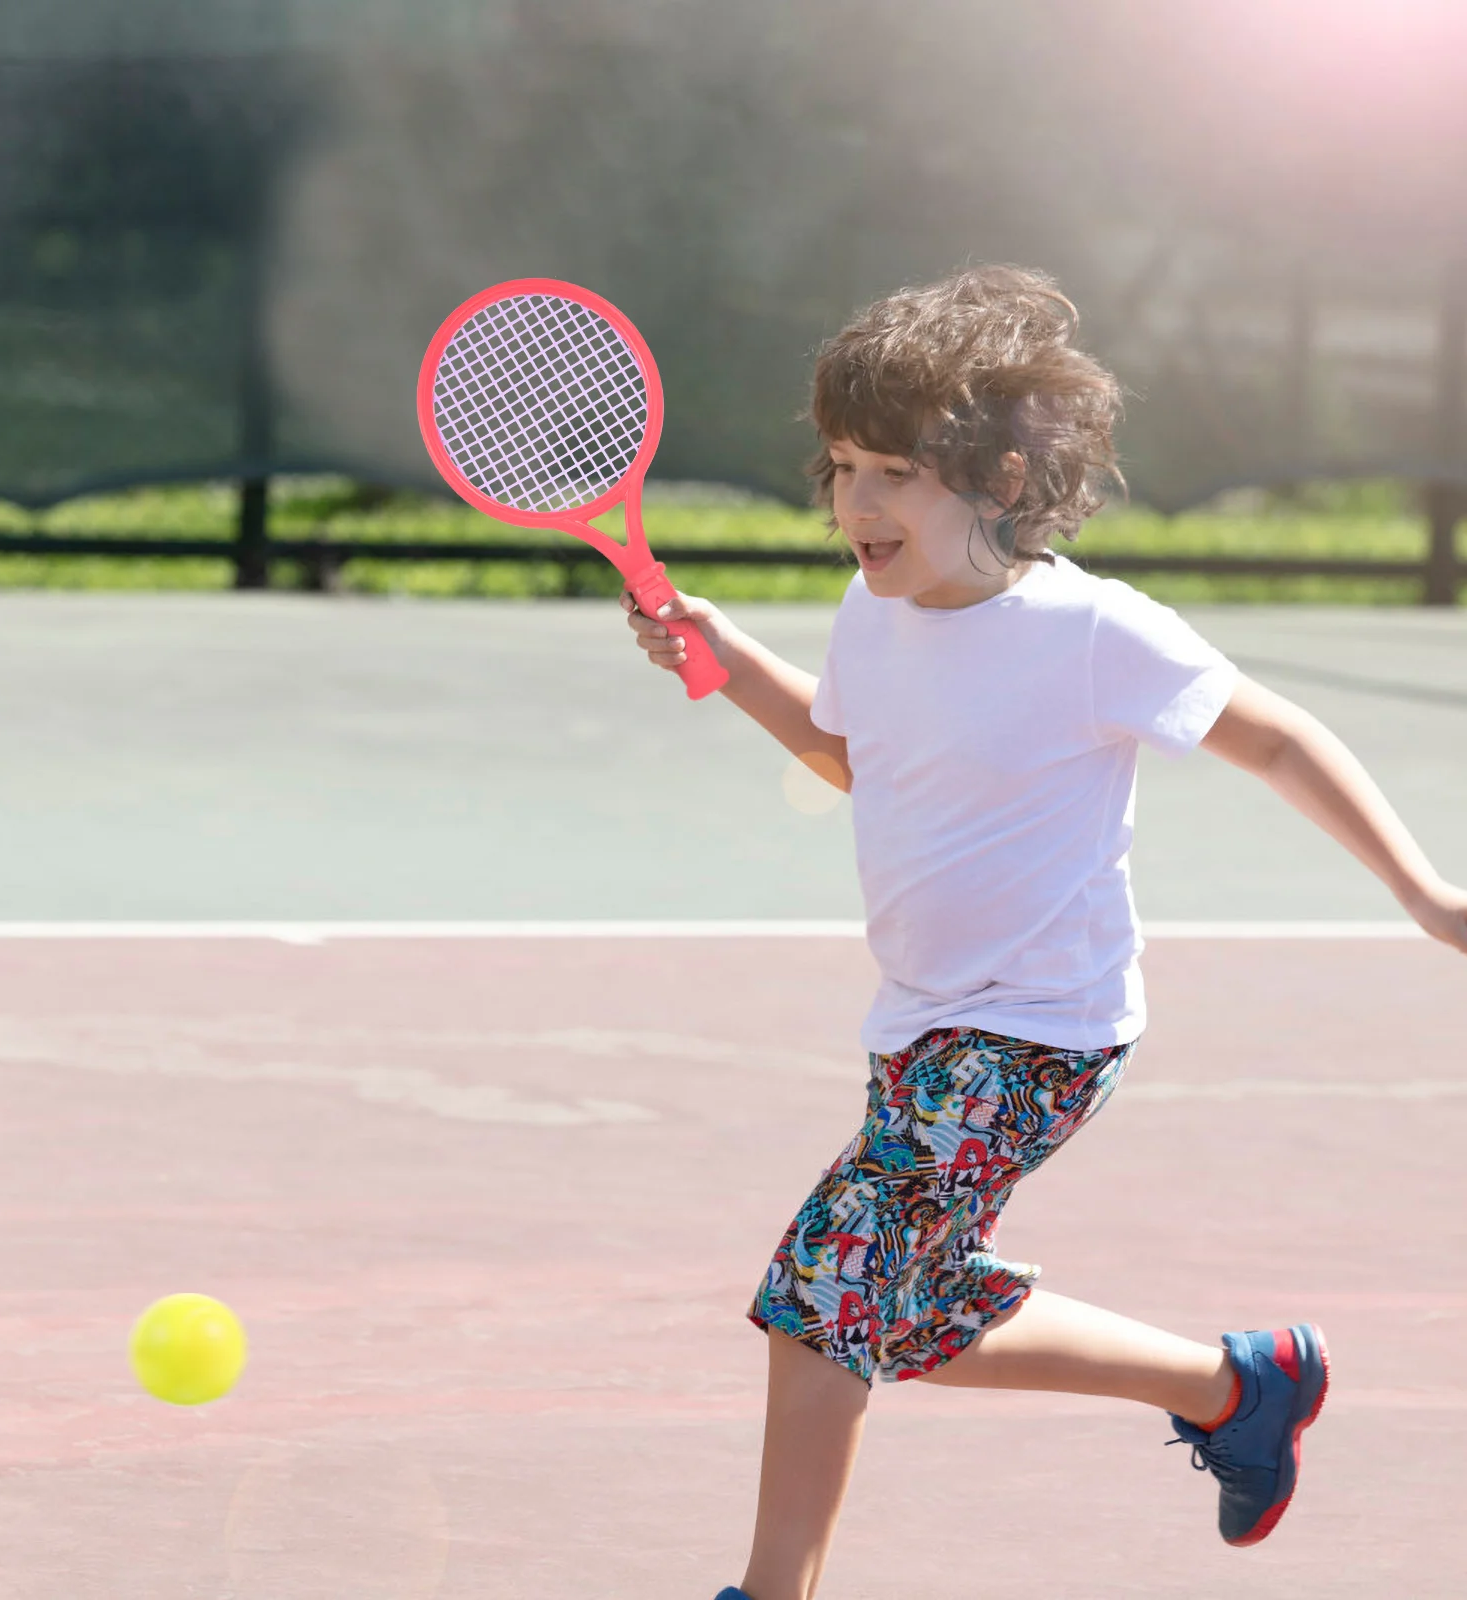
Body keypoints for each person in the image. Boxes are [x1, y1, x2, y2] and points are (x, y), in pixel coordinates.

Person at [618, 264, 1467, 1600]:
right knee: (896, 1315)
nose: (858, 504)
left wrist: (1424, 893)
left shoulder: (1089, 631)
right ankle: (1235, 1389)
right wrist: (720, 658)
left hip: (1036, 1032)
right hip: (922, 1026)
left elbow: (1279, 739)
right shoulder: (874, 612)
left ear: (1001, 483)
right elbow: (857, 758)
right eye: (843, 467)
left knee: (816, 1298)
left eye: (896, 471)